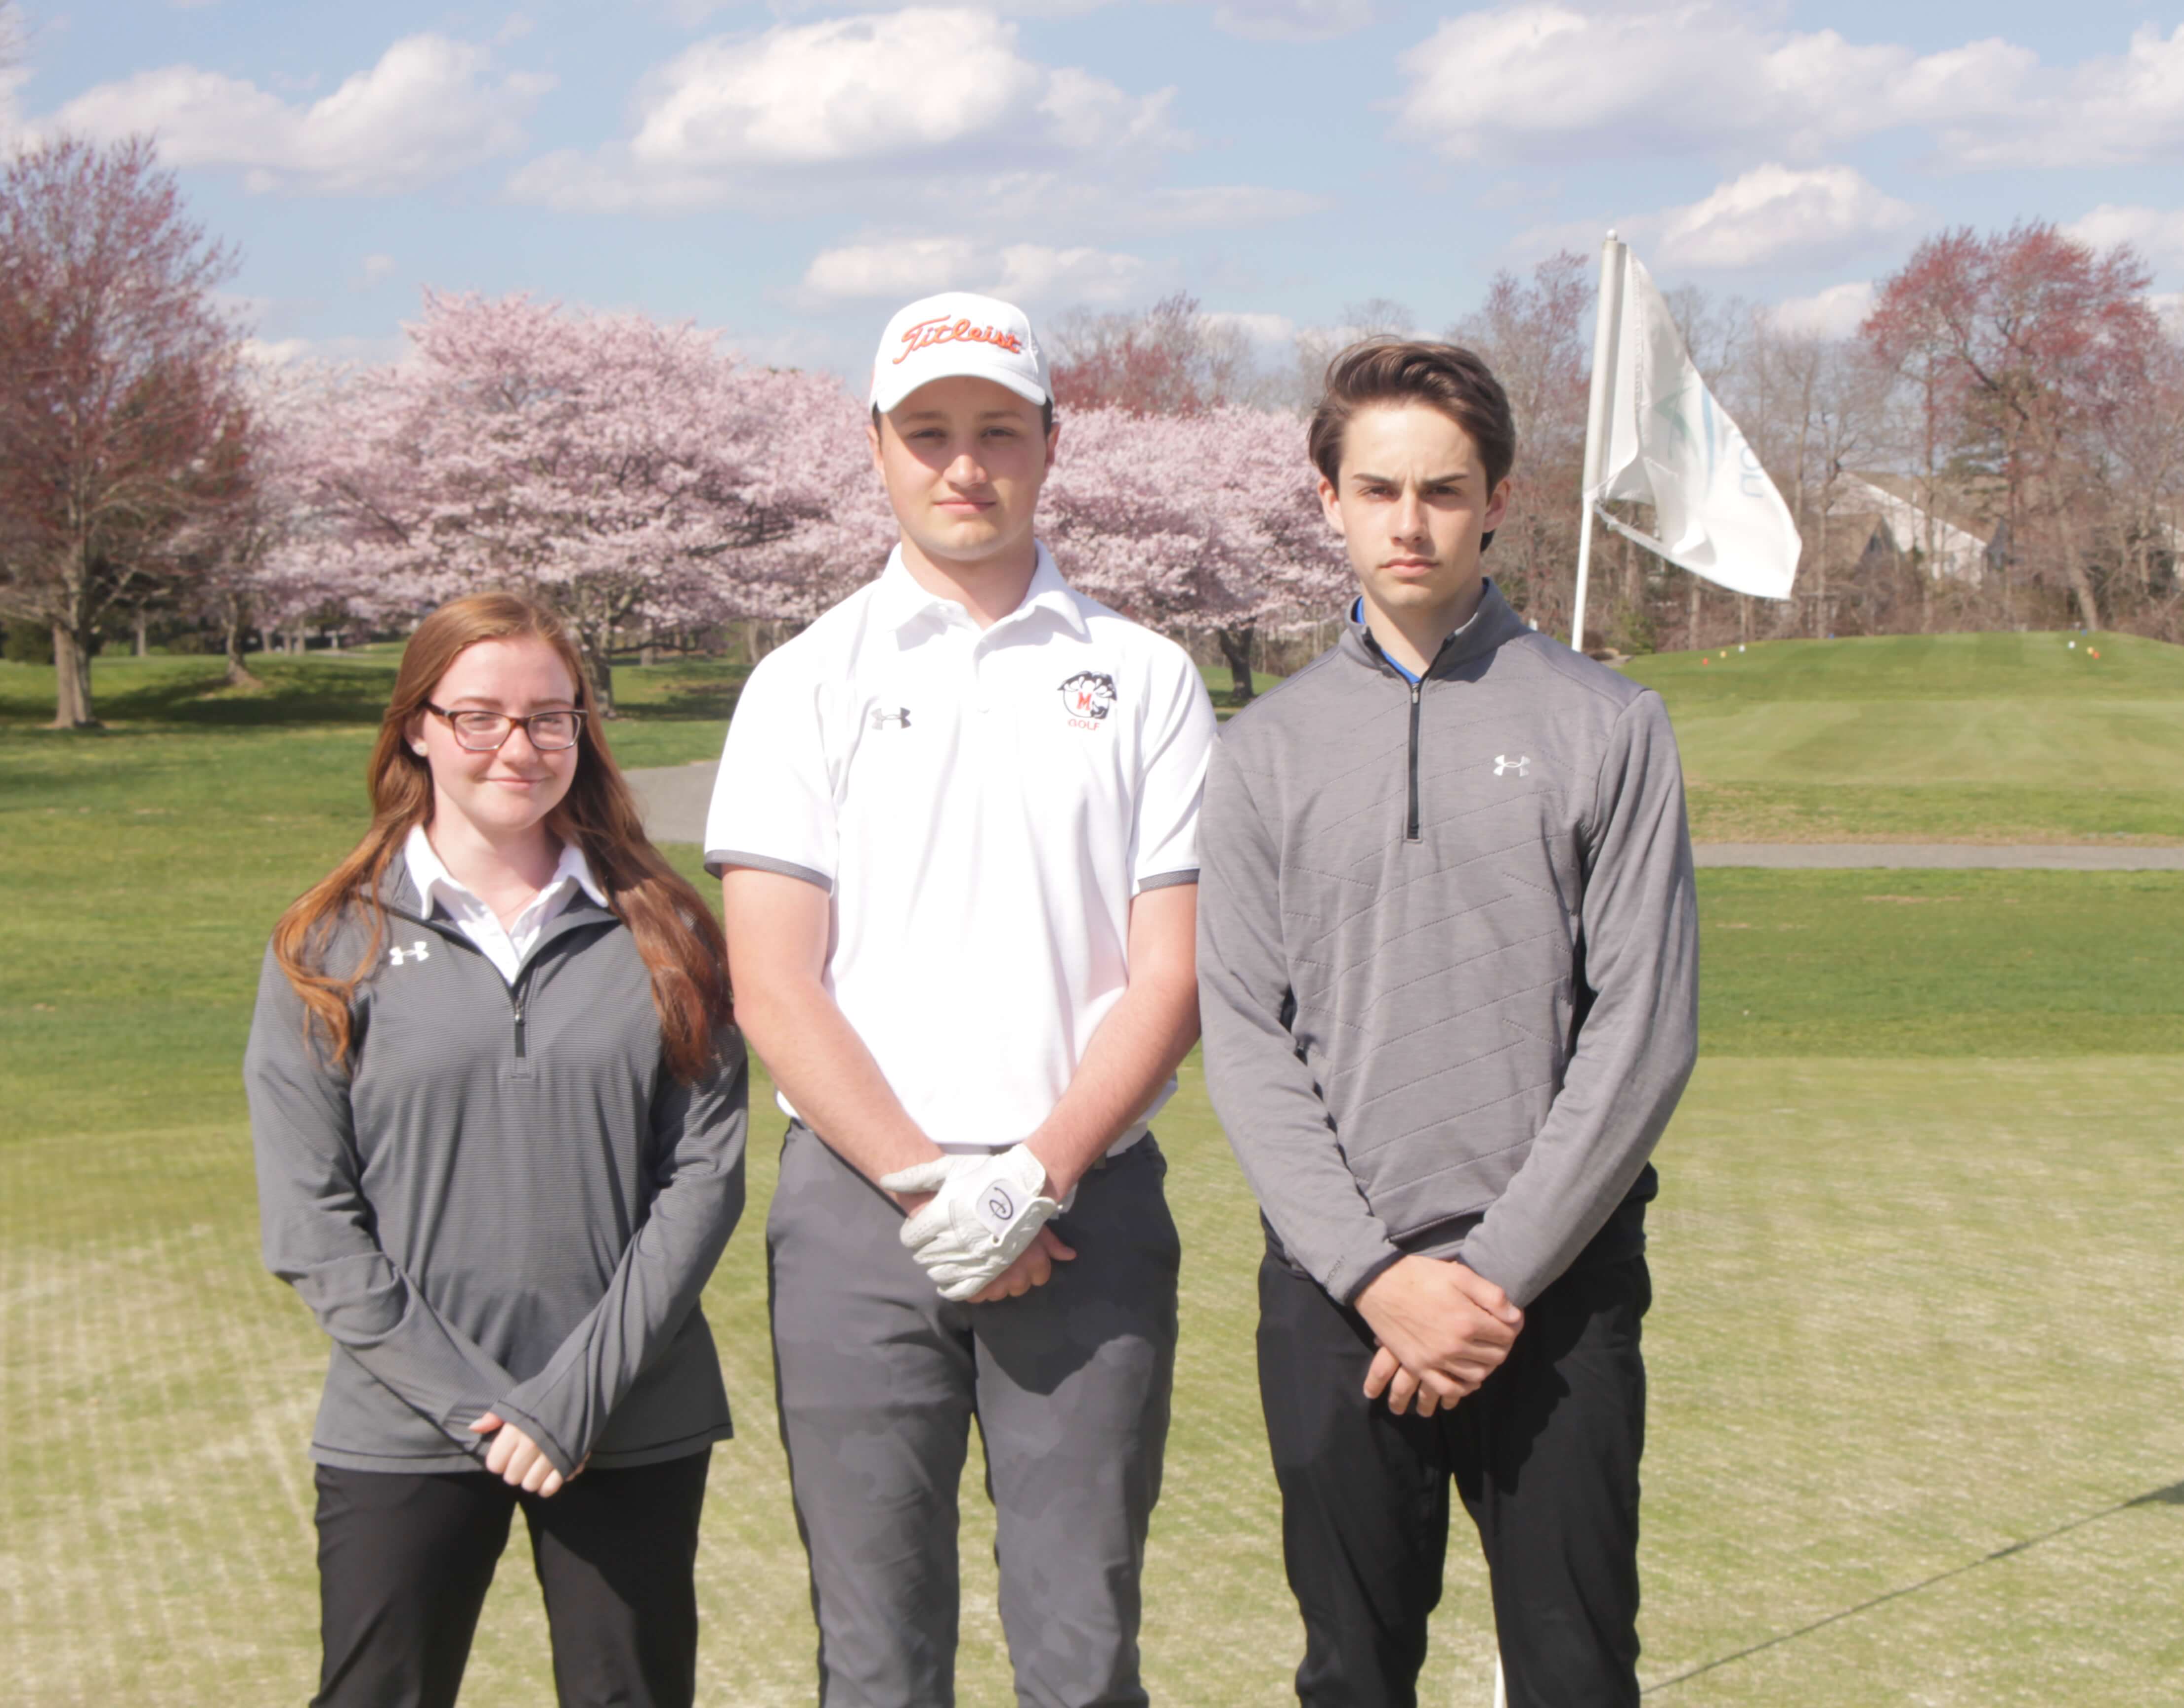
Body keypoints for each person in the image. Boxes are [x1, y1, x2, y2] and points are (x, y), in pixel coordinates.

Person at [703, 291, 1215, 1707]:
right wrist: (938, 1192)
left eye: (997, 431)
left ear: (1052, 443)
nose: (963, 464)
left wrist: (1034, 1180)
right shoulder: (804, 683)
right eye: (928, 433)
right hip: (863, 1214)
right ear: (877, 447)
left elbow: (1170, 977)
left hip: (1087, 1206)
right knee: (876, 1656)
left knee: (1081, 1649)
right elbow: (773, 981)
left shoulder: (1147, 676)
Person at [1196, 342, 1699, 1707]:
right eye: (1377, 490)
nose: (1407, 524)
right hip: (1337, 1291)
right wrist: (1376, 1279)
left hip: (1555, 1289)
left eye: (1442, 490)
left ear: (1499, 501)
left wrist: (1494, 1282)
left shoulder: (1610, 724)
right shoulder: (1262, 754)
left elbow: (1643, 1028)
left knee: (1576, 1672)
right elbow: (1243, 1034)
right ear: (1327, 499)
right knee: (1352, 1675)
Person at [246, 592, 748, 1708]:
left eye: (548, 718)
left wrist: (568, 1401)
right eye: (479, 716)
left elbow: (701, 1184)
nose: (516, 747)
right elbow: (313, 1224)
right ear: (417, 727)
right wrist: (478, 1407)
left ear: (583, 730)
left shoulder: (668, 931)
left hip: (626, 1418)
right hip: (403, 1419)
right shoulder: (327, 943)